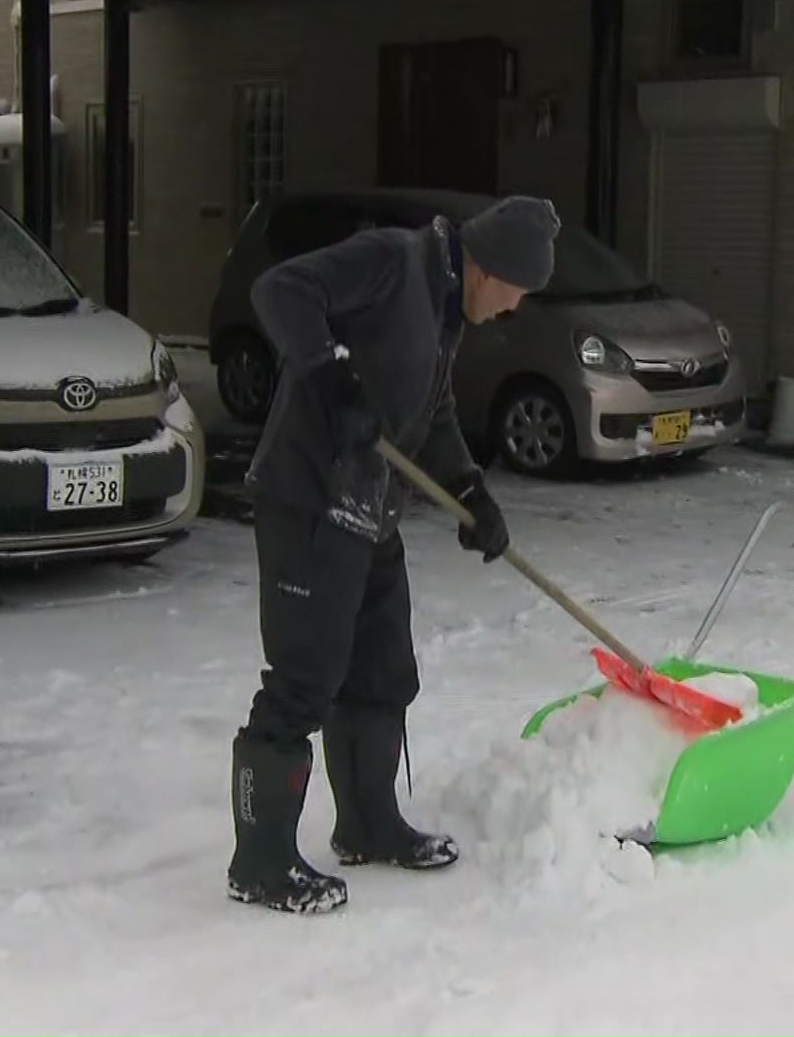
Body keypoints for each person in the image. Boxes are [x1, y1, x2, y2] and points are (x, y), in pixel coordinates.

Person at [226, 195, 561, 914]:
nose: (512, 310)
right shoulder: (391, 260)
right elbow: (279, 290)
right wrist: (330, 379)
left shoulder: (444, 307)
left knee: (381, 673)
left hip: (370, 507)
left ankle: (369, 826)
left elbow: (429, 410)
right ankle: (259, 862)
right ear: (489, 268)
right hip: (310, 499)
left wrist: (471, 491)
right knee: (302, 681)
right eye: (516, 294)